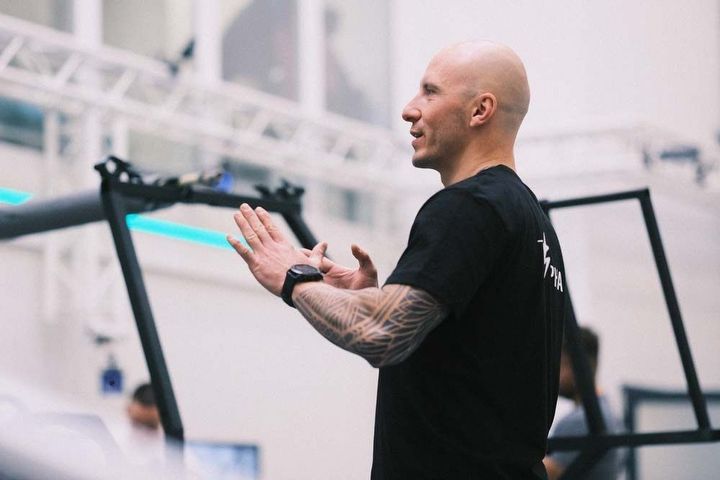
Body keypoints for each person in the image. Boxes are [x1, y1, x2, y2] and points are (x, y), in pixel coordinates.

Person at [227, 40, 566, 479]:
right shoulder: (530, 219)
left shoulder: (471, 205)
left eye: (430, 92)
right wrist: (366, 300)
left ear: (480, 110)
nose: (409, 109)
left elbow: (383, 333)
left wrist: (294, 277)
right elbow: (457, 354)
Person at [544, 327, 624, 480]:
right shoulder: (607, 413)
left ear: (574, 366)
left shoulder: (582, 421)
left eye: (559, 364)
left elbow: (543, 473)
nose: (553, 373)